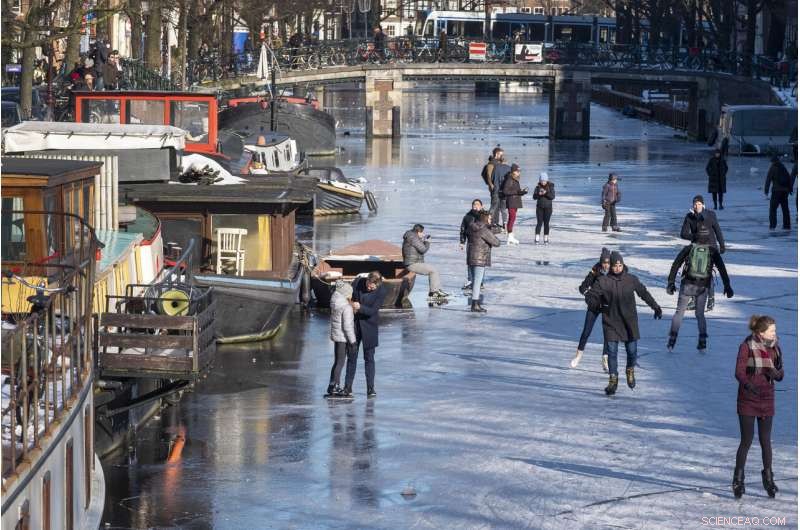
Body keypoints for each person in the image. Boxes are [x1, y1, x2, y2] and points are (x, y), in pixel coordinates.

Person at [585, 251, 662, 395]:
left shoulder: (631, 279)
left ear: (623, 265)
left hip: (629, 322)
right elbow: (591, 296)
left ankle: (630, 369)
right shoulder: (603, 281)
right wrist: (594, 303)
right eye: (615, 265)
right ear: (611, 266)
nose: (618, 268)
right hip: (611, 321)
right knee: (612, 353)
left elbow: (643, 293)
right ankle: (613, 380)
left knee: (632, 351)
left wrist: (655, 307)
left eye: (620, 265)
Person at [733, 315, 783, 499]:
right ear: (761, 332)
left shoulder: (775, 348)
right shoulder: (746, 346)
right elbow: (738, 372)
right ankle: (738, 479)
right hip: (748, 399)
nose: (775, 333)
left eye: (774, 330)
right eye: (772, 331)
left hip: (767, 399)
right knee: (746, 441)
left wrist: (774, 372)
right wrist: (748, 385)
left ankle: (768, 479)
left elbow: (780, 373)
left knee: (765, 441)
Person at [666, 242, 733, 352]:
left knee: (679, 312)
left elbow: (676, 264)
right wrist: (727, 286)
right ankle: (702, 342)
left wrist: (671, 282)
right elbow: (722, 268)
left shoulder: (689, 248)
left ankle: (672, 340)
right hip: (703, 286)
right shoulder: (712, 250)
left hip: (687, 285)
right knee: (700, 314)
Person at [343, 272, 386, 398]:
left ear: (377, 286)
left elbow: (373, 311)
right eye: (368, 285)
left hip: (370, 327)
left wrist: (360, 307)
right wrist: (350, 303)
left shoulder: (382, 291)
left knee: (369, 358)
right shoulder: (358, 282)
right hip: (355, 325)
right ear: (367, 280)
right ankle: (348, 387)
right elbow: (348, 295)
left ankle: (370, 388)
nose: (369, 288)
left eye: (372, 287)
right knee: (352, 356)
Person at [571, 248, 611, 370]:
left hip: (607, 307)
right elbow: (583, 286)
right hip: (594, 305)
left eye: (608, 263)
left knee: (608, 334)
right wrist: (587, 294)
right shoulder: (595, 270)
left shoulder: (614, 273)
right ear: (600, 262)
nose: (606, 265)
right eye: (604, 263)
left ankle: (605, 358)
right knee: (586, 331)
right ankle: (578, 355)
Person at [466, 210, 501, 312]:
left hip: (470, 256)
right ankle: (475, 304)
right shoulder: (483, 230)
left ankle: (474, 303)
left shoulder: (472, 227)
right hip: (480, 258)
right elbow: (496, 242)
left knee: (474, 281)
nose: (491, 220)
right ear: (485, 219)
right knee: (477, 282)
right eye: (489, 218)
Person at [402, 224, 448, 300]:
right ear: (418, 232)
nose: (423, 234)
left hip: (413, 262)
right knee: (432, 270)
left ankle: (436, 291)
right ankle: (434, 293)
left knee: (433, 270)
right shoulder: (413, 238)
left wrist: (422, 240)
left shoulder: (412, 236)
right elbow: (423, 249)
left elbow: (418, 248)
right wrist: (427, 242)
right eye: (422, 232)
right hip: (412, 264)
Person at [327, 282, 356, 397]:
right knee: (340, 362)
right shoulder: (346, 307)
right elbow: (348, 327)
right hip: (343, 338)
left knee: (336, 362)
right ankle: (334, 386)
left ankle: (331, 385)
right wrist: (353, 341)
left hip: (336, 336)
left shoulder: (335, 303)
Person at [764, 155, 794, 230]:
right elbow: (789, 178)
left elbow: (768, 179)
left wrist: (766, 190)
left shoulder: (773, 168)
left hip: (776, 191)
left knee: (773, 209)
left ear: (773, 161)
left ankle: (772, 225)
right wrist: (790, 189)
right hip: (785, 191)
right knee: (785, 209)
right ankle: (787, 225)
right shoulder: (783, 167)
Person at [501, 163, 528, 245]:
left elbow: (516, 191)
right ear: (513, 171)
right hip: (511, 201)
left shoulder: (515, 179)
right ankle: (510, 236)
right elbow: (505, 191)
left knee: (512, 218)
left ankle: (510, 235)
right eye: (517, 171)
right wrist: (517, 192)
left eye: (519, 171)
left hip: (515, 201)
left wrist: (522, 192)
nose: (519, 172)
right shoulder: (509, 179)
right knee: (512, 218)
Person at [460, 199, 483, 290]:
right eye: (474, 204)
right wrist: (462, 242)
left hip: (482, 243)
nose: (475, 206)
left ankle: (480, 282)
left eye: (477, 204)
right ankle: (471, 280)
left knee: (480, 262)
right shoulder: (467, 217)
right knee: (470, 262)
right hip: (471, 242)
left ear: (481, 206)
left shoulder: (484, 216)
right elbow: (463, 230)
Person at [489, 150, 510, 230]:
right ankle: (505, 224)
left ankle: (489, 221)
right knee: (503, 209)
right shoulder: (509, 168)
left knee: (493, 207)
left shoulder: (496, 167)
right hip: (504, 192)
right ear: (506, 161)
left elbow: (493, 178)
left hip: (496, 190)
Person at [533, 171, 555, 244]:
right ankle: (537, 238)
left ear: (547, 180)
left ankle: (546, 239)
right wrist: (539, 194)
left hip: (548, 208)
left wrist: (546, 193)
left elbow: (552, 197)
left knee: (546, 223)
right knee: (539, 223)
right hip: (539, 208)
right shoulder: (537, 187)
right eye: (542, 181)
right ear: (540, 180)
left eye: (544, 181)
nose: (543, 182)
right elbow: (534, 197)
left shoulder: (551, 186)